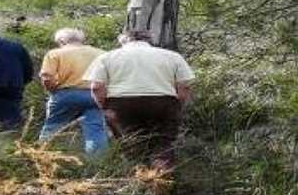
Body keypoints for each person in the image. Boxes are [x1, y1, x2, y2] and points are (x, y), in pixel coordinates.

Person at [84, 29, 195, 167]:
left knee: (131, 144)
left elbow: (96, 87)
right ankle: (160, 180)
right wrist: (178, 106)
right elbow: (184, 86)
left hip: (121, 105)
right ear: (150, 40)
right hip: (163, 102)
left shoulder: (107, 57)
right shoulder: (172, 56)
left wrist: (104, 107)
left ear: (123, 41)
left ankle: (138, 179)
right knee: (162, 144)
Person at [38, 28, 108, 156]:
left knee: (53, 128)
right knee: (95, 130)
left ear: (62, 41)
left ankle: (43, 157)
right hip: (94, 95)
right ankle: (98, 162)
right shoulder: (101, 53)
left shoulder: (55, 54)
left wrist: (53, 91)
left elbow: (47, 77)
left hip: (66, 94)